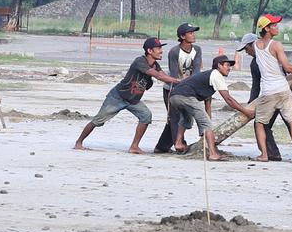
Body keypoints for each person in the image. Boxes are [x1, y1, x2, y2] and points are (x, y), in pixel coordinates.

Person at [75, 38, 177, 153]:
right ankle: (79, 142)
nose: (161, 51)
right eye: (158, 48)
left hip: (133, 100)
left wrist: (179, 82)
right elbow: (159, 76)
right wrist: (179, 81)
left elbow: (163, 76)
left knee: (146, 116)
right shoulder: (140, 61)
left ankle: (134, 146)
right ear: (149, 50)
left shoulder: (155, 65)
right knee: (97, 121)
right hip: (118, 97)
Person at [169, 55, 255, 160]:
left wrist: (207, 121)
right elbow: (228, 99)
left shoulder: (208, 77)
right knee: (206, 123)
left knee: (187, 119)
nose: (229, 68)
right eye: (227, 65)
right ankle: (213, 153)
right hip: (185, 96)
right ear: (219, 66)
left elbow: (208, 103)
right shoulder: (216, 75)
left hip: (174, 96)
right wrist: (246, 111)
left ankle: (178, 143)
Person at [239, 32, 292, 161]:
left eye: (246, 49)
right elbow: (257, 85)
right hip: (282, 91)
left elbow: (257, 85)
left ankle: (270, 153)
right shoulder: (268, 54)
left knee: (261, 123)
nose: (247, 52)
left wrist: (252, 104)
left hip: (271, 94)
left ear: (252, 45)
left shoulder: (261, 59)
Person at [154, 23, 204, 153]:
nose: (193, 35)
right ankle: (180, 144)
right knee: (174, 117)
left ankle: (162, 146)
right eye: (190, 33)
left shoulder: (197, 50)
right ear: (182, 36)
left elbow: (196, 71)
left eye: (193, 32)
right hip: (172, 88)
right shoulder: (174, 52)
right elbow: (174, 75)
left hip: (189, 87)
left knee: (181, 118)